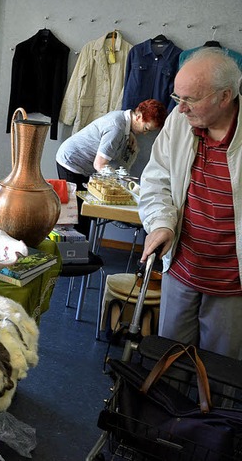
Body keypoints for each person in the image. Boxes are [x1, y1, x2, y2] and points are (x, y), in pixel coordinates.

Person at [138, 47, 242, 360]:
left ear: (224, 97)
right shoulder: (179, 122)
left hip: (232, 283)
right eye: (177, 98)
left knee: (220, 373)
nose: (180, 109)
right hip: (181, 269)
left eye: (190, 100)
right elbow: (157, 181)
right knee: (169, 362)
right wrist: (161, 224)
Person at [56, 99, 168, 236]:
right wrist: (121, 186)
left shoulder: (124, 121)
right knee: (78, 216)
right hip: (71, 162)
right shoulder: (116, 127)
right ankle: (78, 252)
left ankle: (83, 251)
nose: (145, 134)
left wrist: (130, 134)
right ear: (138, 117)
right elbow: (100, 164)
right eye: (146, 129)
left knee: (86, 215)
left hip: (82, 164)